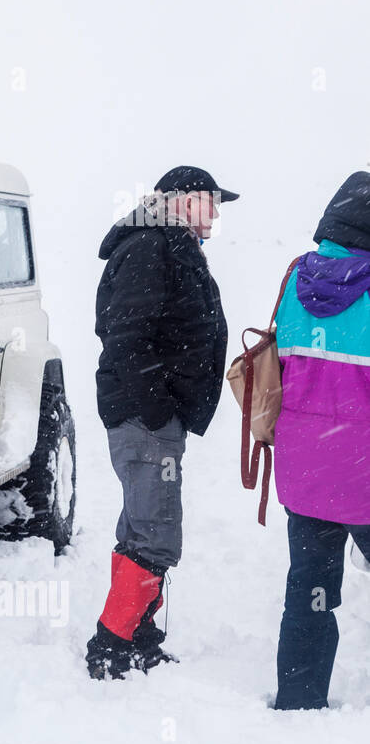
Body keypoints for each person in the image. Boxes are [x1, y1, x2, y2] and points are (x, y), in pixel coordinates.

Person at [85, 165, 239, 680]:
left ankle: (139, 636)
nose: (216, 212)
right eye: (210, 200)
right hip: (143, 416)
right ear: (180, 199)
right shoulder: (152, 246)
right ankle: (110, 646)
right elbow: (124, 334)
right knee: (155, 534)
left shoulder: (168, 245)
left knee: (141, 528)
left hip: (151, 415)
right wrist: (157, 407)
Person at [271, 171, 370, 709]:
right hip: (364, 469)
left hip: (306, 470)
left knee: (309, 588)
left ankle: (299, 697)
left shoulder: (296, 279)